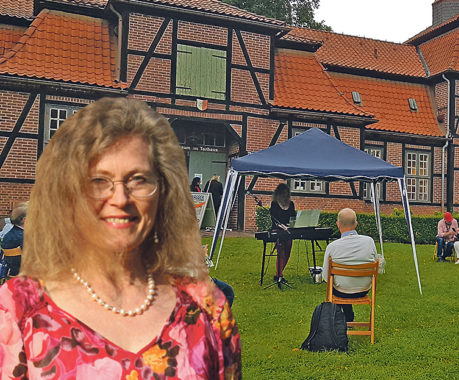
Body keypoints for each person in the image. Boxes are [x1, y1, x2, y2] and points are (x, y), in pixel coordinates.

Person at [0, 97, 239, 378]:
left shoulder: (207, 308)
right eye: (98, 180)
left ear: (163, 194)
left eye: (138, 179)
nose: (120, 198)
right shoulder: (16, 311)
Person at [322, 208, 377, 323]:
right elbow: (374, 265)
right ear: (356, 223)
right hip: (364, 289)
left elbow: (325, 277)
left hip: (341, 290)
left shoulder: (332, 247)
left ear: (338, 225)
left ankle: (339, 319)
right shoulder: (369, 242)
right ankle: (348, 318)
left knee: (334, 284)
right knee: (340, 283)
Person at [270, 183, 296, 288]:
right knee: (281, 253)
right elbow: (274, 219)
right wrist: (281, 226)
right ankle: (279, 275)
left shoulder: (291, 204)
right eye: (283, 193)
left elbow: (293, 217)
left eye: (287, 193)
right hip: (278, 231)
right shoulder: (274, 204)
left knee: (287, 253)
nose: (285, 195)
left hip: (288, 231)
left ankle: (279, 273)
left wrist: (291, 225)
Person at [0, 202, 26, 276]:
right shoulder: (23, 237)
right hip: (24, 275)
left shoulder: (8, 235)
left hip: (10, 273)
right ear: (24, 220)